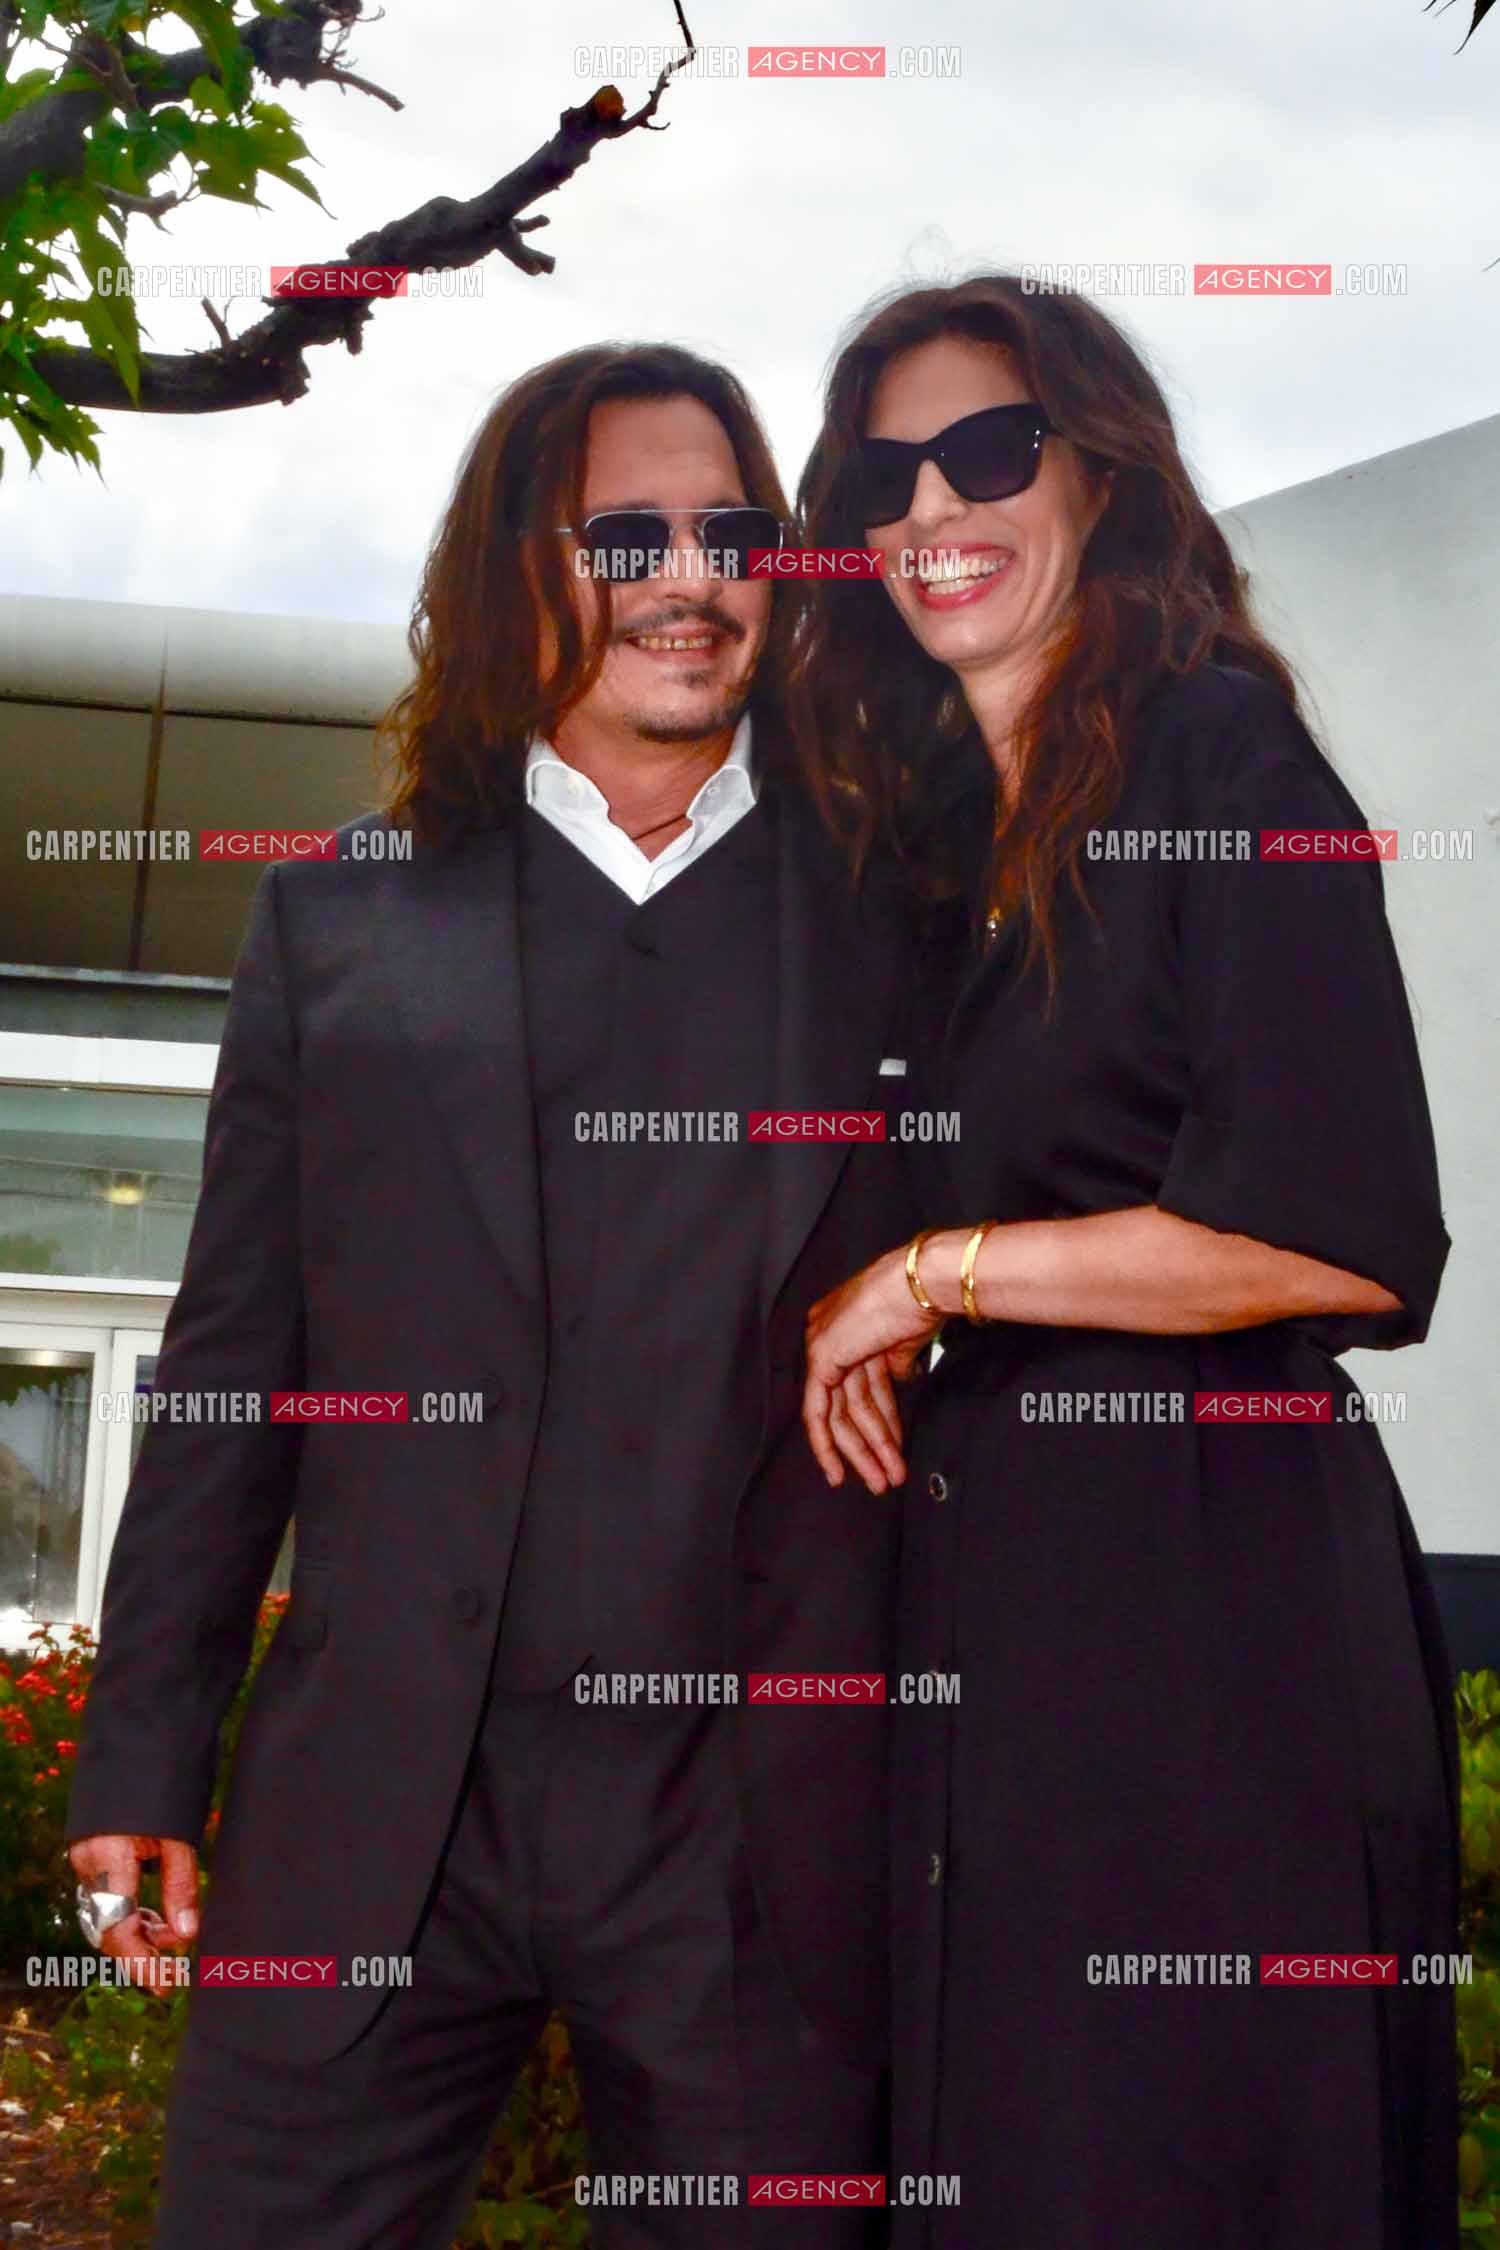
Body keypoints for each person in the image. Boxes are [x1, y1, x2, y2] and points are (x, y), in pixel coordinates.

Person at [63, 342, 918, 2250]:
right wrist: (141, 1747)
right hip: (379, 1798)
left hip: (750, 1826)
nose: (688, 576)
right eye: (626, 531)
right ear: (510, 568)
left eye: (731, 531)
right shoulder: (338, 919)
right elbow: (234, 1368)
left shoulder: (897, 915)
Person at [791, 275, 1459, 2249]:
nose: (933, 506)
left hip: (1204, 1622)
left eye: (986, 451)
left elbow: (1332, 1229)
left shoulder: (1227, 760)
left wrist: (930, 1279)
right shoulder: (935, 860)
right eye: (882, 473)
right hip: (988, 1628)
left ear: (1099, 473)